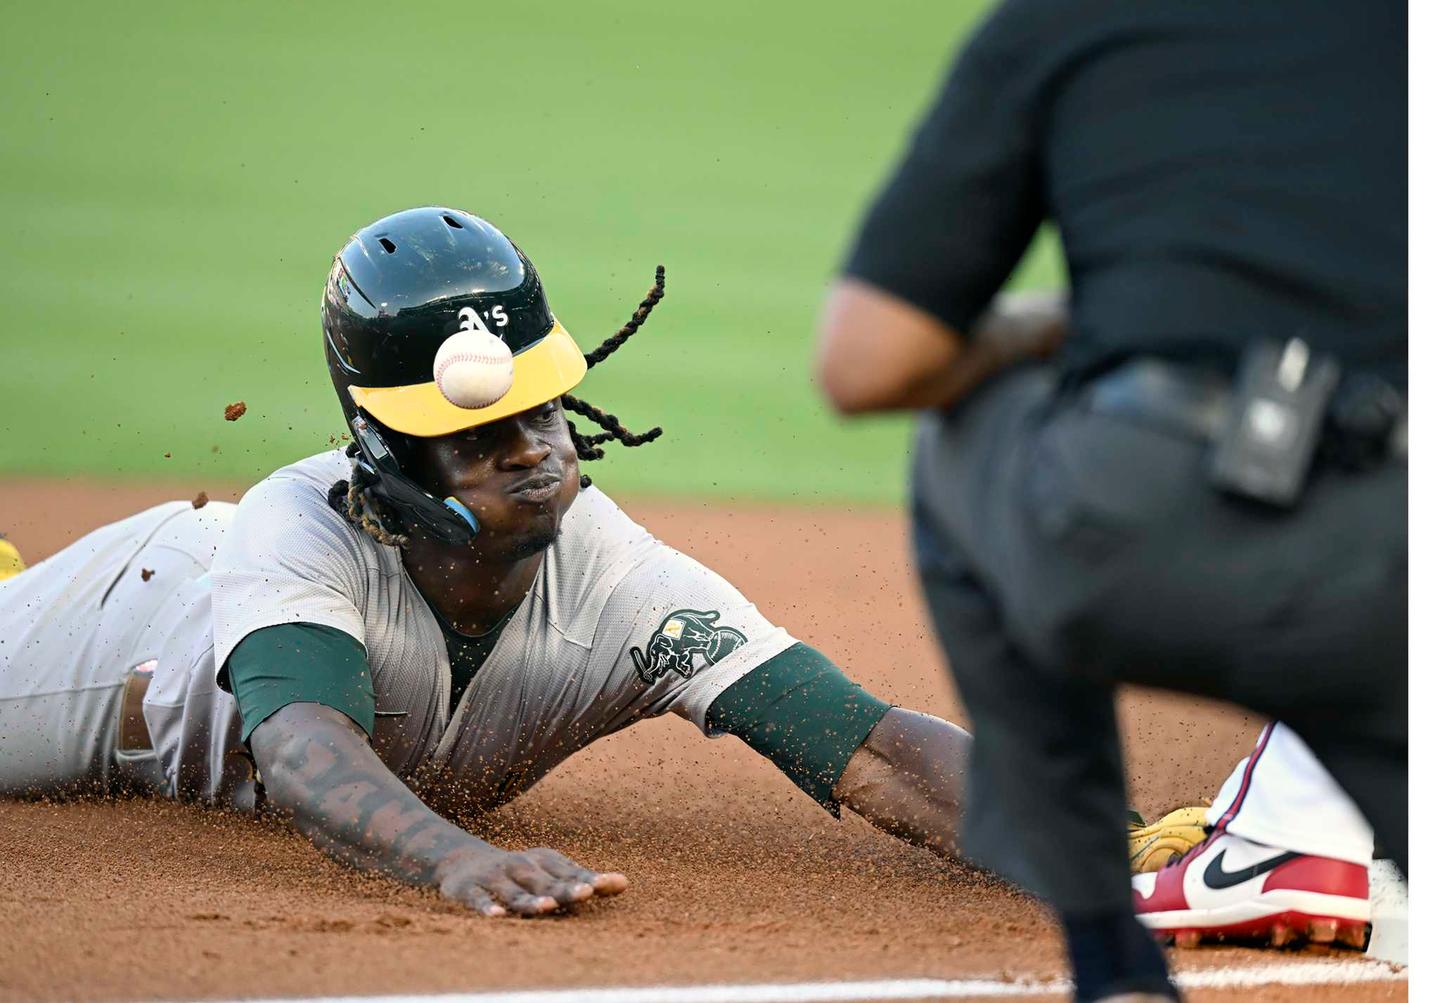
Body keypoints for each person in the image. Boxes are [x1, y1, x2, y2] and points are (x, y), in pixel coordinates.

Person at [0, 206, 991, 917]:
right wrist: (454, 859)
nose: (532, 450)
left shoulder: (623, 580)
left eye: (544, 409)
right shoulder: (300, 525)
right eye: (478, 436)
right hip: (119, 627)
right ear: (386, 452)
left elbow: (871, 749)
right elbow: (305, 753)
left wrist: (1095, 833)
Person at [815, 1, 1405, 1000]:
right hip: (1399, 557)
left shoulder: (1062, 21)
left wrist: (1061, 326)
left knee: (965, 421)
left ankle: (1113, 948)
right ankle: (1311, 822)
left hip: (1138, 526)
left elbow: (869, 362)